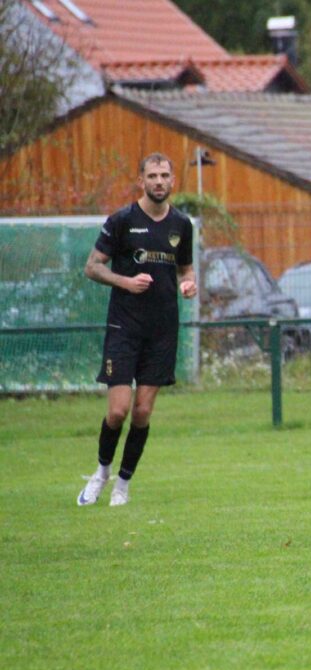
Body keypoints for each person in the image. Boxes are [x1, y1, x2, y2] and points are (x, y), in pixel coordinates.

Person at [77, 152, 197, 506]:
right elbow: (92, 267)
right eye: (152, 176)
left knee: (143, 412)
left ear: (173, 180)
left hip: (162, 330)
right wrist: (126, 282)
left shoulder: (181, 225)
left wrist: (188, 285)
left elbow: (186, 270)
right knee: (118, 411)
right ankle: (101, 473)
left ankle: (123, 485)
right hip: (124, 327)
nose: (159, 182)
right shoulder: (122, 221)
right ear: (141, 180)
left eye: (164, 175)